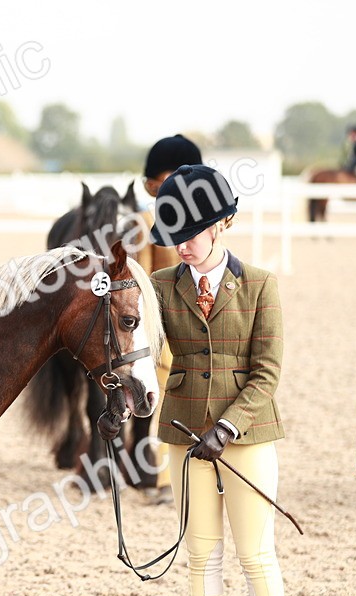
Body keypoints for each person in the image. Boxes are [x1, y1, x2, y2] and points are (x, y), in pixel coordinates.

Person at [149, 164, 287, 596]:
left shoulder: (260, 285)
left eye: (190, 233)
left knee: (255, 554)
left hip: (247, 437)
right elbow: (133, 343)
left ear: (220, 224)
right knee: (202, 555)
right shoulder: (160, 287)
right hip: (185, 434)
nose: (180, 245)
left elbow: (267, 372)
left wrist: (228, 426)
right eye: (173, 236)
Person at [132, 134, 204, 502]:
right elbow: (140, 280)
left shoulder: (207, 220)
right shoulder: (145, 222)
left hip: (205, 326)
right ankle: (163, 480)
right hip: (166, 329)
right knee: (166, 403)